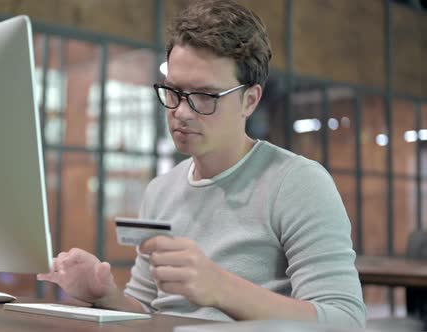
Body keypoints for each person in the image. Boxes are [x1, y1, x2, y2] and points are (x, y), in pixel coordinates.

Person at [37, 0, 366, 327]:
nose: (181, 111)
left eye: (206, 96)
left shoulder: (296, 183)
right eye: (174, 91)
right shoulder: (160, 191)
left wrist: (221, 288)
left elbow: (345, 321)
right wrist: (106, 294)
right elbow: (149, 312)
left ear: (249, 101)